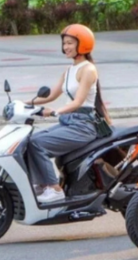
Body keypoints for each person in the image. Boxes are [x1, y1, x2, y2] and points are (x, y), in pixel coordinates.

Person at [27, 24, 112, 204]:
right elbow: (51, 95)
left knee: (37, 144)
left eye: (70, 43)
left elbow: (78, 102)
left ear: (83, 44)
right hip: (69, 122)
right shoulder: (69, 70)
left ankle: (54, 189)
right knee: (29, 141)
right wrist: (25, 103)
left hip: (83, 125)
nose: (66, 47)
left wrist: (54, 112)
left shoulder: (88, 69)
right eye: (64, 43)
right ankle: (41, 185)